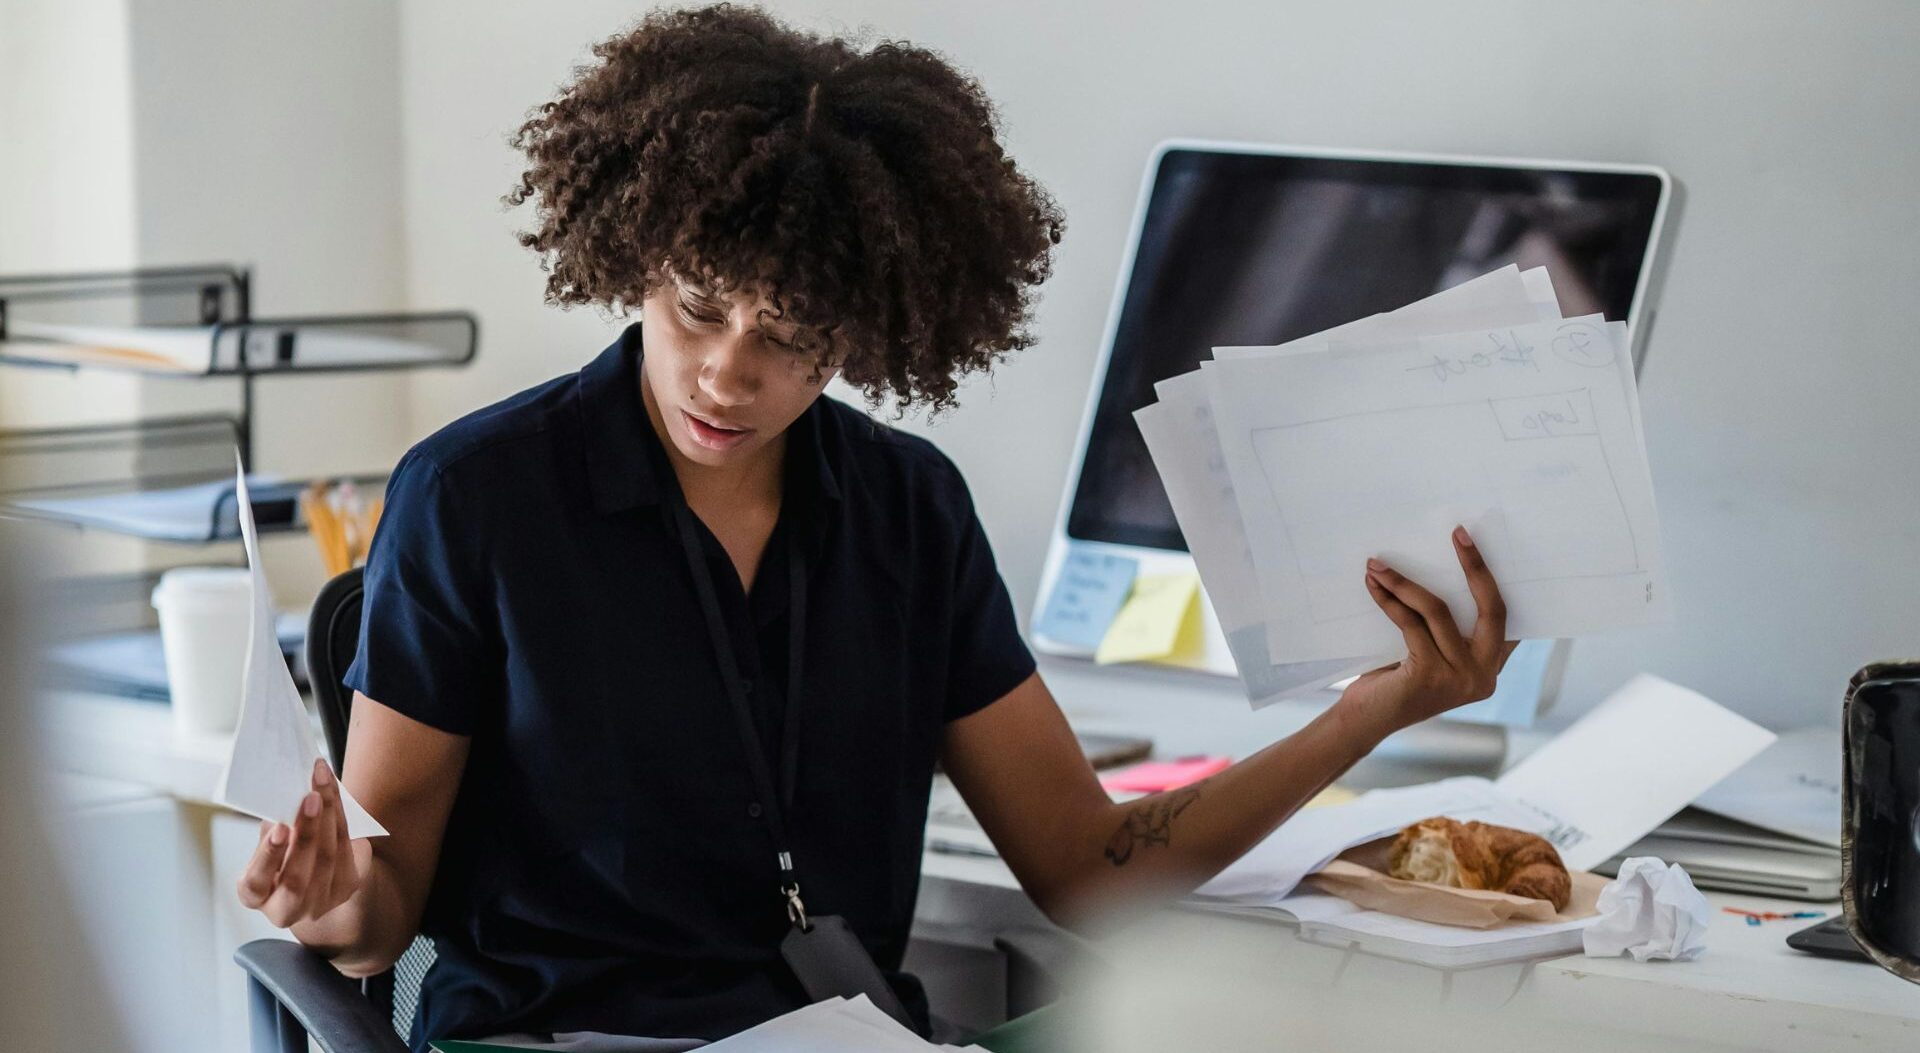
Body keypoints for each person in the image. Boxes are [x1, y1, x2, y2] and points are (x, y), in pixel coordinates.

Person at [235, 6, 1516, 1050]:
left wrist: (1368, 711)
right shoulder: (478, 497)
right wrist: (333, 896)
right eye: (697, 310)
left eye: (790, 337)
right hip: (562, 1042)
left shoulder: (909, 509)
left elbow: (1085, 866)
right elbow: (380, 917)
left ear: (871, 328)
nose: (727, 375)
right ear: (633, 258)